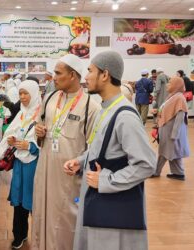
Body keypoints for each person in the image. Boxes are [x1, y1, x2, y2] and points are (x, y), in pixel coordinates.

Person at [63, 50, 156, 250]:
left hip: (112, 210)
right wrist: (80, 161)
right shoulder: (105, 109)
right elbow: (101, 149)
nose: (85, 77)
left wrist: (106, 180)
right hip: (98, 201)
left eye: (89, 71)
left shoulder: (125, 116)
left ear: (105, 75)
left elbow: (147, 164)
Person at [32, 54, 100, 250]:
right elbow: (40, 126)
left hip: (69, 179)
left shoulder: (90, 107)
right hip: (45, 172)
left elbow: (93, 149)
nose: (54, 77)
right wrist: (39, 132)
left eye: (58, 73)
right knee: (41, 215)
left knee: (66, 222)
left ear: (72, 75)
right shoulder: (50, 98)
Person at [0, 80, 41, 249]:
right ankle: (19, 234)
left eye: (26, 93)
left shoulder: (43, 115)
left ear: (34, 94)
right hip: (20, 165)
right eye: (20, 93)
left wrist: (31, 146)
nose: (22, 97)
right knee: (19, 201)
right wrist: (11, 140)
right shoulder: (22, 113)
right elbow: (13, 130)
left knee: (34, 201)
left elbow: (49, 144)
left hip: (34, 166)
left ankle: (38, 236)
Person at [152, 77, 189, 180]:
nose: (167, 85)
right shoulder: (172, 96)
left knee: (164, 152)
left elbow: (180, 117)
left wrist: (175, 134)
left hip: (171, 133)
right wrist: (158, 112)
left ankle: (156, 172)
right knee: (173, 153)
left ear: (176, 85)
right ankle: (179, 173)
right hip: (168, 131)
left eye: (170, 83)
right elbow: (166, 110)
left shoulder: (179, 98)